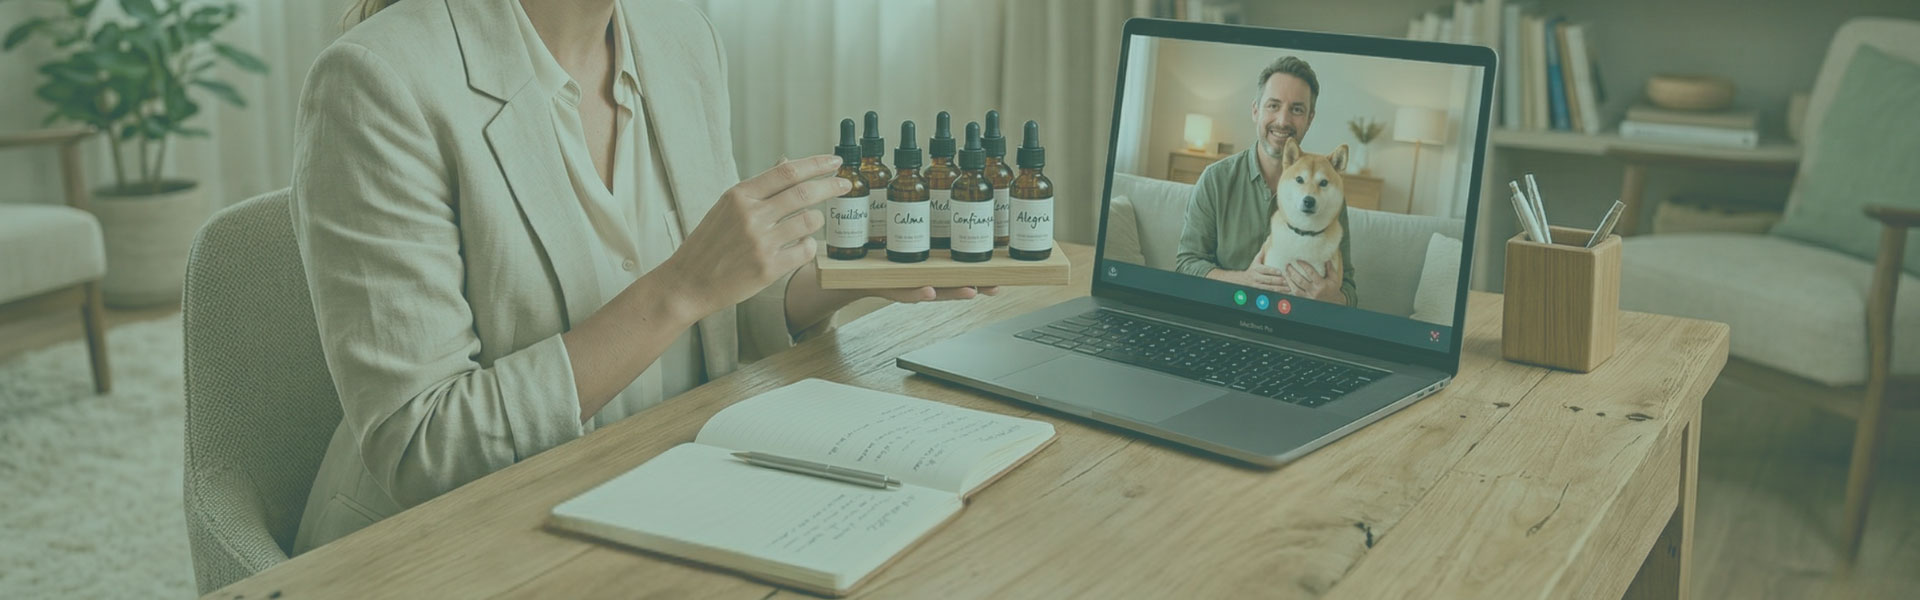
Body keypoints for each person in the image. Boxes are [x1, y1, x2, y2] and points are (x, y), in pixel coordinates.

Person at [290, 0, 992, 552]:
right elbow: (426, 447)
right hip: (452, 546)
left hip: (667, 495)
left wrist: (835, 278)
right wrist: (681, 286)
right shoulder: (375, 80)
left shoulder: (678, 34)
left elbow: (710, 316)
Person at [1173, 56, 1357, 307]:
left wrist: (1332, 298)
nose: (1283, 120)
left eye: (1297, 109)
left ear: (1310, 118)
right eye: (1273, 105)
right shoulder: (1216, 179)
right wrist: (1243, 281)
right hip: (1224, 316)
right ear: (1255, 110)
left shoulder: (1326, 193)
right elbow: (1186, 266)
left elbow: (1349, 288)